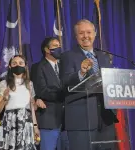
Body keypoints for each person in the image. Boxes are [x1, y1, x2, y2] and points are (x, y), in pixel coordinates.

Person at [60, 19, 119, 150]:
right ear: (76, 37)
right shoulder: (68, 56)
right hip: (81, 121)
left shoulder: (103, 57)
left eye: (89, 32)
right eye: (81, 33)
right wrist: (81, 73)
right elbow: (64, 83)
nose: (85, 36)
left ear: (95, 34)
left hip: (106, 119)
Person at [0, 55, 40, 150]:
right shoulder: (4, 84)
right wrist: (4, 99)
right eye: (14, 63)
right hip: (9, 123)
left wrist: (35, 126)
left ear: (25, 66)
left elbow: (32, 109)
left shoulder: (30, 84)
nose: (17, 65)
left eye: (20, 63)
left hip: (26, 123)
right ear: (10, 67)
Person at [33, 37, 69, 150]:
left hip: (67, 120)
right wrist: (64, 94)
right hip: (49, 120)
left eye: (59, 45)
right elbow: (42, 90)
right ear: (47, 49)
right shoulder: (38, 67)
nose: (59, 48)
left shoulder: (65, 66)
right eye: (55, 46)